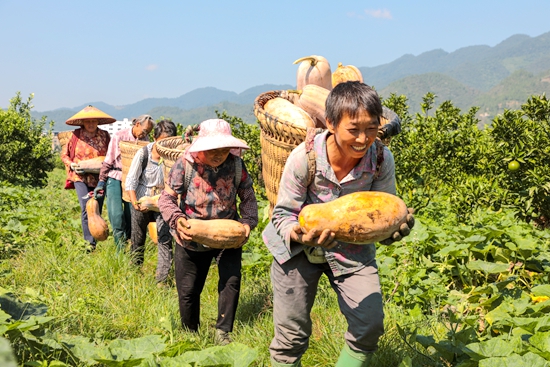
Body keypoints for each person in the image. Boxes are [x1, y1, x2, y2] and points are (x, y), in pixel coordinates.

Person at [262, 81, 415, 367]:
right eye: (353, 129)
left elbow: (382, 215)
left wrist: (393, 231)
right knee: (291, 337)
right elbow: (282, 215)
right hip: (296, 252)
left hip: (351, 252)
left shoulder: (381, 159)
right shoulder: (303, 158)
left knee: (369, 326)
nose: (363, 138)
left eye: (371, 128)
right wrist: (299, 233)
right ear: (331, 124)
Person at [158, 118, 259, 345]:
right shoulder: (185, 165)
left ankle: (223, 331)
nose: (219, 154)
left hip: (228, 236)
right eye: (213, 149)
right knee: (188, 289)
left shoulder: (236, 165)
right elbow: (166, 199)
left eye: (223, 149)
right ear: (200, 147)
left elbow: (249, 197)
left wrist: (248, 222)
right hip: (191, 236)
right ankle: (190, 333)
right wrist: (177, 221)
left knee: (231, 282)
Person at [125, 119, 177, 285]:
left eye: (169, 142)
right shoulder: (144, 154)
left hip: (163, 203)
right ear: (155, 138)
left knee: (165, 239)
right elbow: (131, 180)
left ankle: (162, 279)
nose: (165, 146)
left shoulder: (173, 157)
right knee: (138, 239)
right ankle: (134, 272)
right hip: (142, 201)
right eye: (162, 141)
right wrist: (134, 202)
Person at [94, 115, 154, 251]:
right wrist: (101, 182)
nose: (145, 134)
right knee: (116, 215)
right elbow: (109, 159)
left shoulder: (145, 141)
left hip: (133, 182)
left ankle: (129, 246)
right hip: (115, 177)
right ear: (137, 124)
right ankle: (119, 249)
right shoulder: (119, 136)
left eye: (148, 133)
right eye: (144, 131)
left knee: (130, 215)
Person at [61, 105, 114, 251]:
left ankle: (98, 235)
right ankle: (89, 244)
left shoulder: (105, 136)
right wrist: (71, 164)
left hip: (100, 178)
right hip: (80, 177)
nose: (91, 124)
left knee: (96, 207)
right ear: (83, 123)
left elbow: (110, 156)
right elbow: (64, 155)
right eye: (87, 122)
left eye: (93, 121)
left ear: (98, 122)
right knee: (86, 208)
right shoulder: (75, 135)